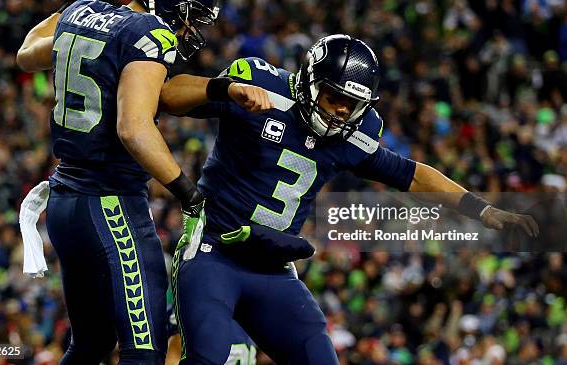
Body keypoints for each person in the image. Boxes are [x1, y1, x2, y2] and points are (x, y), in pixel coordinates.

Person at [159, 34, 539, 365]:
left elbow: (413, 174)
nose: (342, 110)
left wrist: (483, 210)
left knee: (317, 354)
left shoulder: (353, 137)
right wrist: (221, 87)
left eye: (351, 104)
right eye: (334, 97)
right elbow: (169, 95)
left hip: (273, 265)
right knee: (206, 355)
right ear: (311, 83)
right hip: (213, 250)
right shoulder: (261, 85)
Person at [16, 0, 271, 364]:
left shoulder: (82, 13)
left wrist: (68, 4)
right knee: (145, 352)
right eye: (191, 15)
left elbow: (27, 55)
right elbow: (133, 128)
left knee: (91, 345)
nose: (191, 27)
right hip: (111, 204)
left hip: (65, 202)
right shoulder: (150, 32)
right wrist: (187, 193)